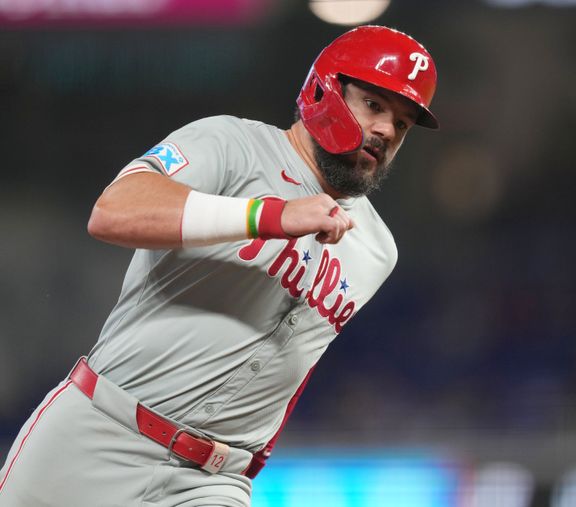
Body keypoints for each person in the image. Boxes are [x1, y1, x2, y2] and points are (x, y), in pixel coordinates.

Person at [0, 25, 438, 506]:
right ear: (321, 90)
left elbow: (293, 364)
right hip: (96, 437)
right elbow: (113, 211)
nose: (385, 130)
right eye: (373, 105)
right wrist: (270, 215)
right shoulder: (232, 143)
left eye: (401, 123)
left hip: (210, 482)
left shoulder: (378, 250)